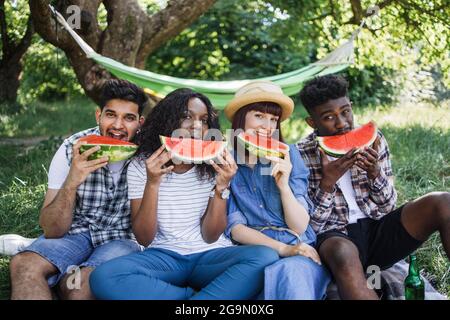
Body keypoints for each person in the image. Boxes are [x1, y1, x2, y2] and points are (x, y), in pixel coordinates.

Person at [89, 88, 279, 300]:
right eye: (187, 116)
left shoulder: (212, 165)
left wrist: (221, 188)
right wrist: (152, 183)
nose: (197, 126)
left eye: (204, 120)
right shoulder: (142, 165)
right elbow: (144, 237)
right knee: (104, 276)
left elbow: (211, 235)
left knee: (264, 256)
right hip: (164, 257)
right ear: (168, 120)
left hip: (210, 256)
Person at [297, 74, 450, 300]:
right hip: (335, 238)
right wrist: (327, 183)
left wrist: (375, 172)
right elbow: (310, 227)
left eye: (345, 111)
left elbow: (388, 206)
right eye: (329, 117)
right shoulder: (300, 154)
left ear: (351, 106)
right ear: (312, 122)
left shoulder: (373, 139)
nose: (341, 123)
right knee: (343, 252)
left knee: (443, 201)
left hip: (378, 231)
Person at [8, 79, 148, 300]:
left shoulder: (148, 156)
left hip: (122, 239)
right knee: (23, 264)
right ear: (97, 116)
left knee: (78, 288)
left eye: (128, 118)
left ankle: (62, 282)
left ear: (140, 122)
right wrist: (72, 181)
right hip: (75, 234)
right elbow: (52, 230)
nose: (118, 126)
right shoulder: (71, 148)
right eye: (111, 114)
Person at [223, 80, 331, 300]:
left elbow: (300, 225)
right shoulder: (227, 162)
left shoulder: (289, 154)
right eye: (259, 116)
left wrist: (284, 186)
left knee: (288, 273)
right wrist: (282, 249)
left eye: (273, 119)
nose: (267, 126)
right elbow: (236, 229)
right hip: (255, 251)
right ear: (240, 119)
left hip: (299, 248)